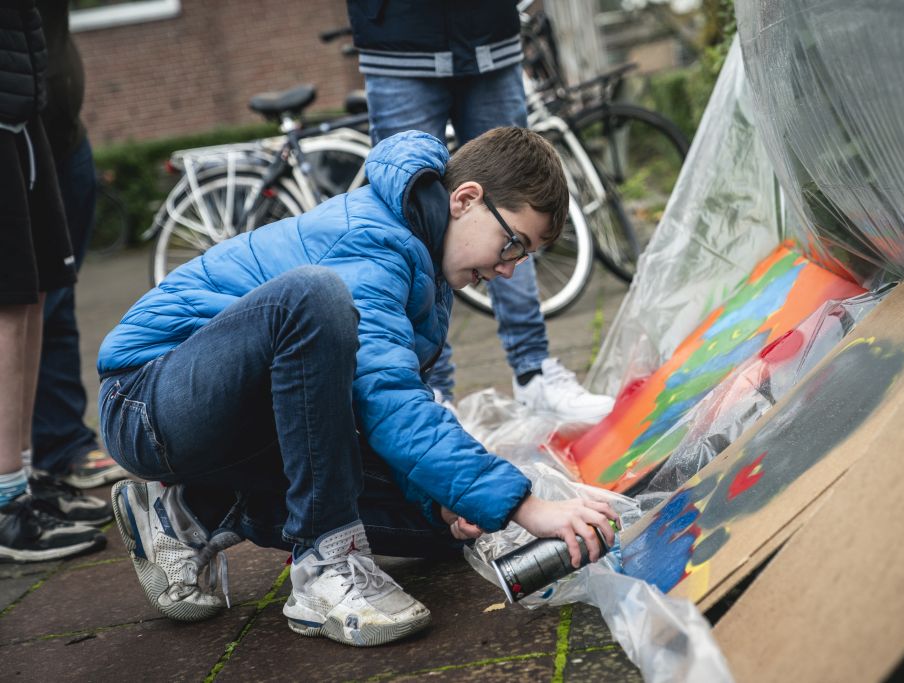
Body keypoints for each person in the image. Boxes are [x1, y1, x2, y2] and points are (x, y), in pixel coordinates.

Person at [100, 128, 619, 646]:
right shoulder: (373, 240)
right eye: (513, 244)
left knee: (451, 522)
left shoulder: (426, 261)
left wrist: (448, 500)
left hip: (243, 425)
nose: (508, 268)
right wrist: (526, 506)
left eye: (523, 256)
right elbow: (390, 402)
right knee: (315, 297)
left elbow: (374, 405)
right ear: (465, 200)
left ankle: (189, 514)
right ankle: (325, 566)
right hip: (147, 400)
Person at [348, 0, 615, 423]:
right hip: (399, 38)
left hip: (489, 33)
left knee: (517, 215)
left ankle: (533, 370)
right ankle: (432, 392)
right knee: (411, 216)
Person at [0, 0, 105, 561]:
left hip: (27, 108)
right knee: (10, 303)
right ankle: (6, 502)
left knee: (36, 293)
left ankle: (23, 479)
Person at [21, 0, 123, 529]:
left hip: (64, 141)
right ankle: (22, 471)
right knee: (21, 308)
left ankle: (60, 446)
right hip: (16, 141)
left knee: (56, 300)